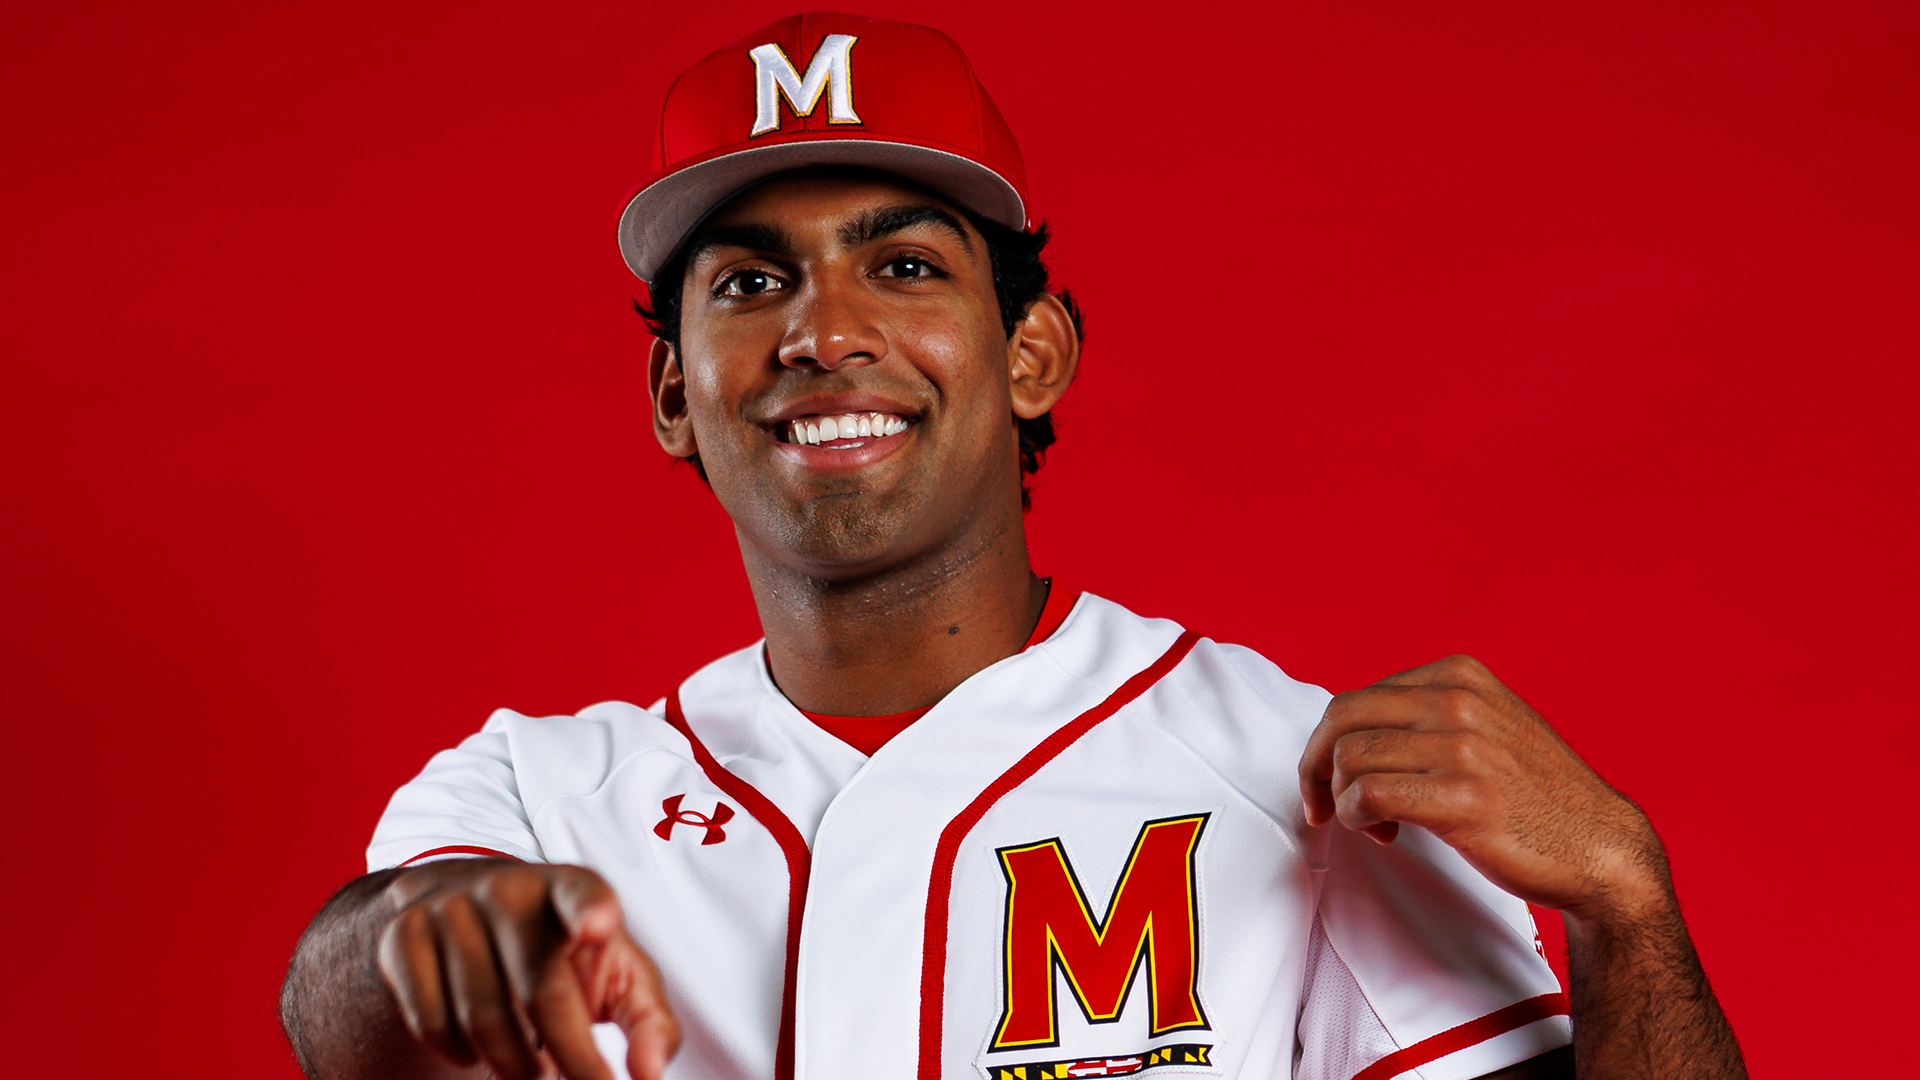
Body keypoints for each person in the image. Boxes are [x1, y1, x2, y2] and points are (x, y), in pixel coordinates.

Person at [279, 13, 1746, 1080]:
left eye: (903, 264)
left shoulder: (1298, 778)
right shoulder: (541, 799)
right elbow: (341, 1008)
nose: (824, 329)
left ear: (1032, 352)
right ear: (678, 393)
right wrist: (426, 931)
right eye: (749, 280)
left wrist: (1629, 897)